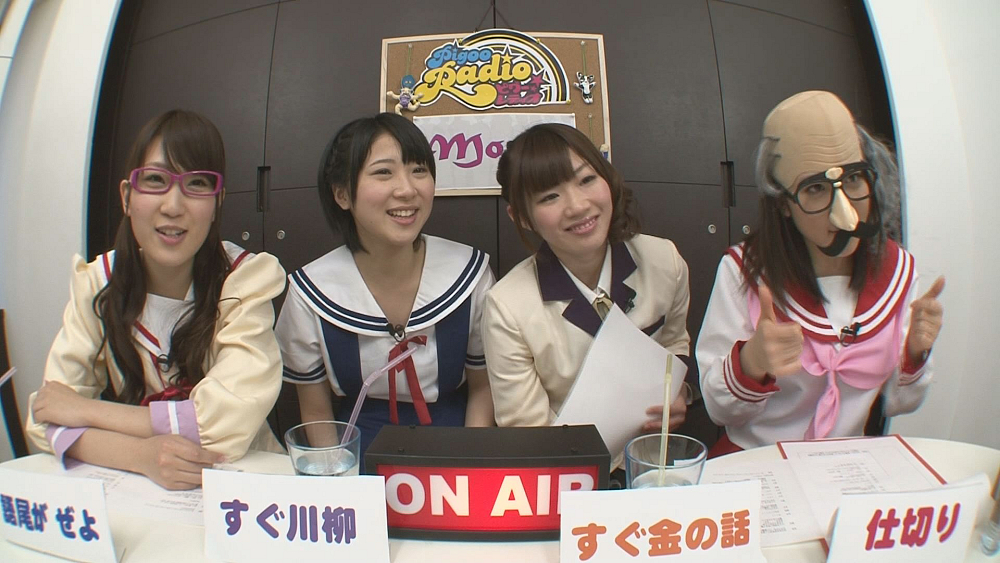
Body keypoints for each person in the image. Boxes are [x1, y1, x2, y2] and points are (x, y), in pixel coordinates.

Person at [27, 110, 286, 489]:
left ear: (217, 202)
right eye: (155, 180)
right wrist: (139, 456)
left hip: (244, 488)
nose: (173, 205)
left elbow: (222, 425)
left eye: (196, 183)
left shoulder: (244, 279)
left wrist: (85, 411)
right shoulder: (98, 282)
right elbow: (46, 415)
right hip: (143, 492)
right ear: (127, 197)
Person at [697, 91, 944, 456]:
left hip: (843, 468)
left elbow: (900, 404)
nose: (845, 216)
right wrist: (752, 362)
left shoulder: (899, 273)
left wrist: (915, 352)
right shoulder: (742, 273)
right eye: (815, 189)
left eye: (855, 179)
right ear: (783, 204)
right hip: (757, 464)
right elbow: (720, 411)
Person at [275, 113, 495, 458]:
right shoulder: (311, 291)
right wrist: (339, 476)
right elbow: (316, 410)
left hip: (455, 444)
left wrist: (467, 468)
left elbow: (484, 389)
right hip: (358, 448)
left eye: (419, 170)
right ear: (342, 194)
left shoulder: (470, 273)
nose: (407, 189)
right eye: (383, 172)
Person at [483, 122, 691, 442]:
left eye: (587, 180)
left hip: (653, 454)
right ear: (522, 217)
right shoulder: (507, 306)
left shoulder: (664, 261)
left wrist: (680, 392)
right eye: (550, 196)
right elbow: (527, 430)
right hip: (564, 463)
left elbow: (675, 344)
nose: (578, 206)